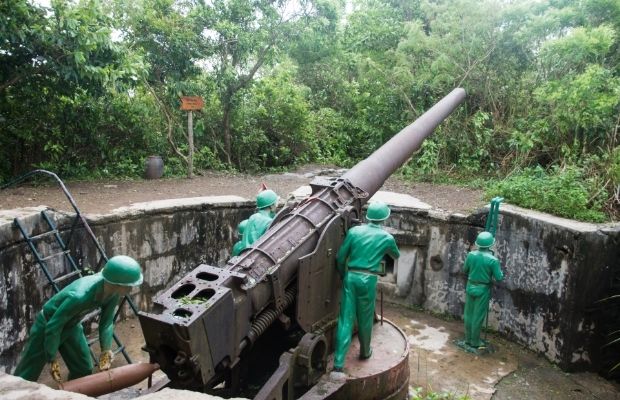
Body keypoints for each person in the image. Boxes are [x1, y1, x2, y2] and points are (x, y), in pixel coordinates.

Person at [13, 255, 143, 383]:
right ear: (116, 283)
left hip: (72, 324)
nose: (131, 289)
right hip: (48, 323)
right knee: (28, 371)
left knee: (83, 368)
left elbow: (107, 322)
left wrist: (106, 350)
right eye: (129, 285)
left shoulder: (113, 292)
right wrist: (51, 358)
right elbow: (54, 325)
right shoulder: (80, 295)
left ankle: (73, 394)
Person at [332, 201, 400, 373]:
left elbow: (340, 258)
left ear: (367, 217)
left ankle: (338, 363)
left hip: (351, 277)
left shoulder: (354, 232)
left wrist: (342, 275)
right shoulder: (386, 238)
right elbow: (396, 255)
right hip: (368, 280)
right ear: (384, 218)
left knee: (345, 319)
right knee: (365, 317)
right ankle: (364, 352)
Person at [462, 231, 503, 349]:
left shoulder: (471, 255)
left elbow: (465, 270)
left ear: (477, 244)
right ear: (490, 245)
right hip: (483, 288)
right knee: (478, 316)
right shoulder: (493, 260)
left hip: (470, 285)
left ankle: (467, 339)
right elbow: (499, 277)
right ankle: (475, 342)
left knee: (468, 314)